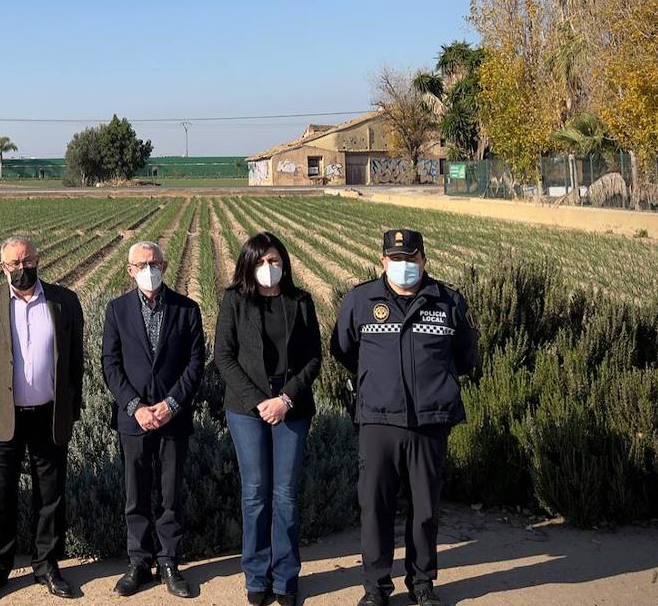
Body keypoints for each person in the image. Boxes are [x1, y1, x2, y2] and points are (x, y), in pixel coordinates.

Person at [330, 229, 479, 606]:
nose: (404, 266)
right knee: (375, 508)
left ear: (424, 259)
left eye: (411, 258)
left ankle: (423, 584)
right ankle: (376, 589)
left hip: (430, 421)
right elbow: (344, 349)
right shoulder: (361, 301)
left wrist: (434, 386)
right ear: (382, 261)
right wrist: (377, 384)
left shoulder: (448, 301)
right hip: (378, 421)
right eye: (395, 259)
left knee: (425, 509)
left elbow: (466, 355)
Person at [0, 235, 85, 603]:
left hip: (49, 415)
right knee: (0, 496)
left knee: (50, 495)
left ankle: (47, 565)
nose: (23, 268)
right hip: (4, 416)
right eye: (14, 263)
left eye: (28, 260)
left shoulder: (64, 301)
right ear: (2, 266)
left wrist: (72, 406)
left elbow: (75, 361)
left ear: (39, 259)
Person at [214, 232, 322, 606]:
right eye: (260, 261)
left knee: (286, 496)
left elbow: (313, 358)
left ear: (284, 263)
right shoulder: (234, 301)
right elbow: (223, 357)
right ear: (248, 264)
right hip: (247, 409)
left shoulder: (301, 301)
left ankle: (286, 579)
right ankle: (257, 577)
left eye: (274, 260)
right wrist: (261, 402)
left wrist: (286, 399)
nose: (268, 268)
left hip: (291, 407)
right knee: (256, 494)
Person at [100, 241, 207, 598]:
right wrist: (135, 407)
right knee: (136, 494)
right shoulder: (116, 311)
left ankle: (169, 561)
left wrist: (171, 404)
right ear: (129, 270)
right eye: (142, 264)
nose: (150, 269)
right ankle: (138, 561)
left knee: (170, 494)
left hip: (172, 418)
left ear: (165, 264)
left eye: (155, 262)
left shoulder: (187, 309)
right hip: (134, 420)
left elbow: (195, 364)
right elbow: (110, 365)